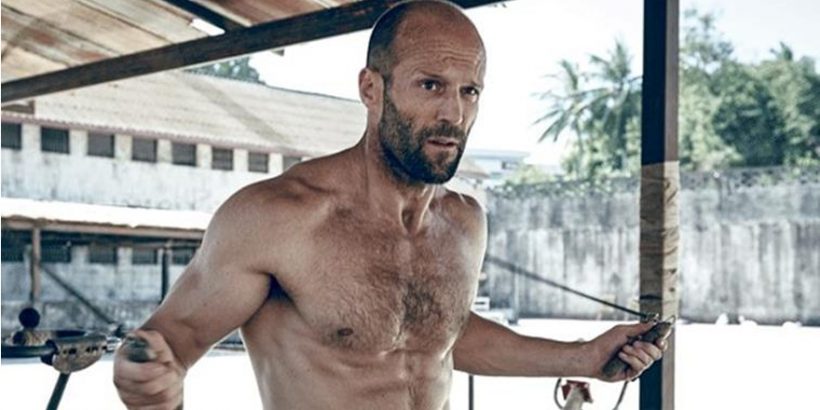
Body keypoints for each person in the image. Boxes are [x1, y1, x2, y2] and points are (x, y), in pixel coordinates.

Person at [113, 1, 668, 409]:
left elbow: (440, 335)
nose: (454, 113)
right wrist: (152, 381)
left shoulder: (463, 222)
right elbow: (170, 343)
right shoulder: (278, 216)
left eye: (469, 90)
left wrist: (581, 356)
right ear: (371, 89)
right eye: (430, 85)